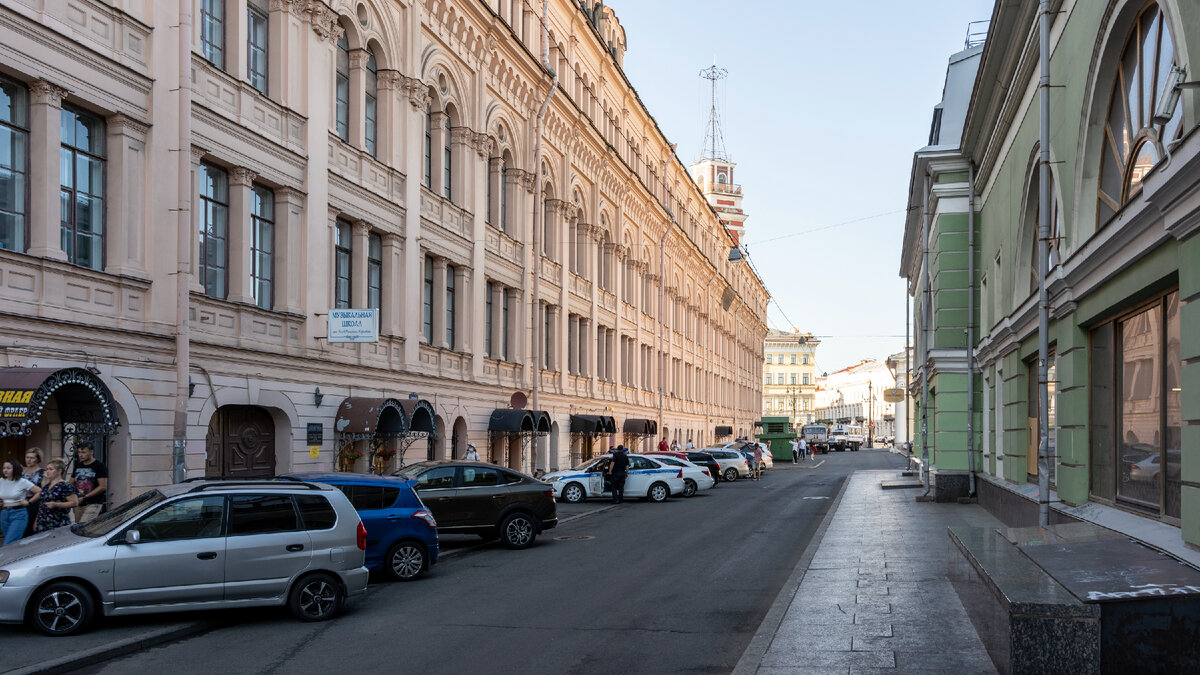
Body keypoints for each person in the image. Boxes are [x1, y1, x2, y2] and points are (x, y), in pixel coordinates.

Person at [1, 459, 40, 545]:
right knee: (12, 543)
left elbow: (40, 491)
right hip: (4, 514)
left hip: (18, 514)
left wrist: (29, 502)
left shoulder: (22, 482)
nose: (5, 470)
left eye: (8, 468)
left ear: (15, 469)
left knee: (8, 544)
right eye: (4, 468)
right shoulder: (1, 481)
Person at [34, 459, 78, 533]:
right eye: (47, 469)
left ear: (59, 471)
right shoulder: (46, 486)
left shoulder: (65, 485)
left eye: (51, 469)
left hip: (58, 522)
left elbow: (74, 502)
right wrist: (36, 520)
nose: (47, 471)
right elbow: (42, 504)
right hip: (43, 522)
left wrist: (56, 504)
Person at [72, 441, 108, 523]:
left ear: (91, 452)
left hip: (93, 503)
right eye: (79, 452)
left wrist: (85, 497)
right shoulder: (78, 466)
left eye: (84, 452)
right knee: (78, 527)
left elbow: (102, 487)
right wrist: (75, 493)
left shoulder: (99, 466)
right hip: (79, 502)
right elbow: (71, 482)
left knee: (84, 525)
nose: (81, 455)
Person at [21, 448, 44, 537]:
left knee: (30, 531)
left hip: (33, 503)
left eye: (32, 458)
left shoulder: (42, 472)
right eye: (27, 457)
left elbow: (43, 492)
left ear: (38, 459)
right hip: (19, 502)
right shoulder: (20, 471)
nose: (29, 460)